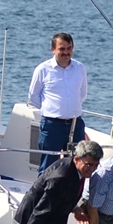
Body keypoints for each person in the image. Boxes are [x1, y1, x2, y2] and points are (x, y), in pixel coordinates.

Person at [28, 32, 88, 173]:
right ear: (53, 49)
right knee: (47, 168)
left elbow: (82, 93)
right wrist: (52, 110)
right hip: (51, 127)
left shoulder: (80, 68)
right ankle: (44, 195)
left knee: (77, 166)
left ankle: (72, 195)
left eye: (69, 48)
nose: (66, 52)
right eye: (62, 49)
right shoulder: (42, 69)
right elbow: (33, 96)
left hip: (75, 125)